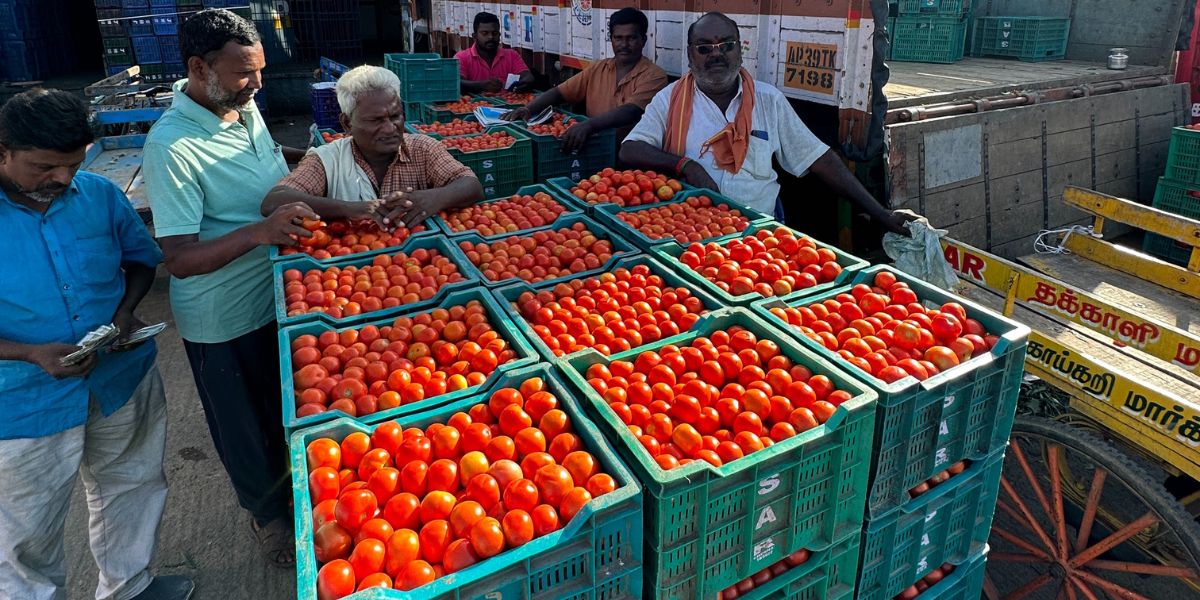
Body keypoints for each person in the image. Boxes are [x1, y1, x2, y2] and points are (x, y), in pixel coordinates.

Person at [0, 90, 193, 600]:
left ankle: (129, 586)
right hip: (23, 404)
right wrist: (29, 352)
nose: (62, 178)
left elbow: (139, 260)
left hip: (119, 378)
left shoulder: (99, 195)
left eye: (73, 163)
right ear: (3, 151)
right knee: (25, 534)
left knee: (132, 486)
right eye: (44, 167)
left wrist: (125, 312)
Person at [142, 8, 317, 568]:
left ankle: (292, 495)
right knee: (243, 425)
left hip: (279, 294)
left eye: (259, 70)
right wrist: (261, 232)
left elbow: (269, 162)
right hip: (223, 316)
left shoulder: (241, 104)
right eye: (245, 72)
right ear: (199, 68)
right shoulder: (171, 147)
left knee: (282, 407)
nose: (257, 83)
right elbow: (179, 259)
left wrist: (318, 160)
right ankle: (266, 517)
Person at [620, 12, 913, 234]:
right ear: (690, 54)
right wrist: (687, 166)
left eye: (726, 45)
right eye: (704, 47)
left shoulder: (768, 100)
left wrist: (881, 214)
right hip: (690, 229)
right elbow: (630, 148)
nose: (716, 54)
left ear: (740, 50)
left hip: (757, 233)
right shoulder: (670, 99)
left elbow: (819, 159)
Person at [263, 65, 483, 228]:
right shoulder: (328, 160)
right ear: (347, 124)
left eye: (395, 116)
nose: (390, 128)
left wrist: (434, 197)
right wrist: (349, 208)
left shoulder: (422, 149)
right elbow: (274, 201)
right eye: (376, 120)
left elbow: (471, 185)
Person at [502, 7, 667, 152]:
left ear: (643, 40)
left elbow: (631, 111)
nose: (624, 44)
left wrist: (589, 125)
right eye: (618, 38)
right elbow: (560, 92)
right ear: (611, 39)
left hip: (627, 155)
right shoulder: (599, 68)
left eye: (631, 38)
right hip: (593, 147)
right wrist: (528, 109)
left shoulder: (654, 76)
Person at [455, 12, 535, 94]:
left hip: (509, 101)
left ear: (499, 35)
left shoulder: (512, 55)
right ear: (475, 36)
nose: (491, 37)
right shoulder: (462, 57)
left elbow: (528, 77)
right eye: (485, 33)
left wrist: (523, 84)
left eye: (495, 33)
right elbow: (455, 82)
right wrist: (481, 86)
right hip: (473, 102)